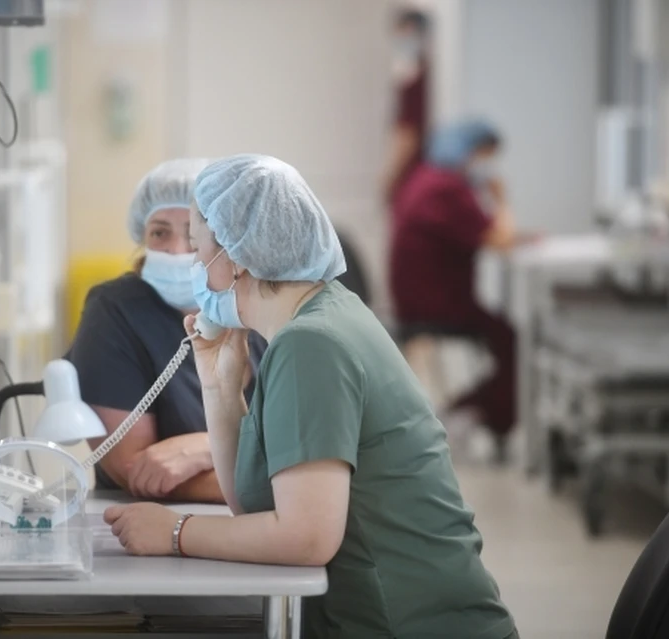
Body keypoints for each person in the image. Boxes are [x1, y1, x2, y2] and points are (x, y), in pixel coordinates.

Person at [104, 155, 518, 638]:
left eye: (198, 248)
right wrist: (220, 386)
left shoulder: (311, 344)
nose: (193, 266)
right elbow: (254, 508)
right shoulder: (316, 320)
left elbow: (305, 537)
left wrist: (174, 533)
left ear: (236, 257)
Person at [67, 158, 266, 503]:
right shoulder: (114, 312)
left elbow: (308, 441)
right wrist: (277, 486)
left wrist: (207, 447)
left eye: (192, 234)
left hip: (267, 521)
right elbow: (137, 470)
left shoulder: (255, 306)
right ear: (142, 237)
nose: (176, 250)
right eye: (160, 233)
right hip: (149, 521)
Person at [390, 118, 534, 462]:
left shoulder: (425, 178)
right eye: (486, 155)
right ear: (470, 150)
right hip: (437, 302)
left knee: (505, 335)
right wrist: (501, 199)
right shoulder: (448, 189)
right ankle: (471, 413)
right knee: (512, 341)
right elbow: (499, 238)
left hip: (418, 296)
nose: (487, 165)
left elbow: (483, 234)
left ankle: (468, 410)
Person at [381, 8, 432, 205]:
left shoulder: (414, 81)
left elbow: (408, 135)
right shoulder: (411, 75)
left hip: (411, 174)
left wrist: (391, 176)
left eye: (407, 34)